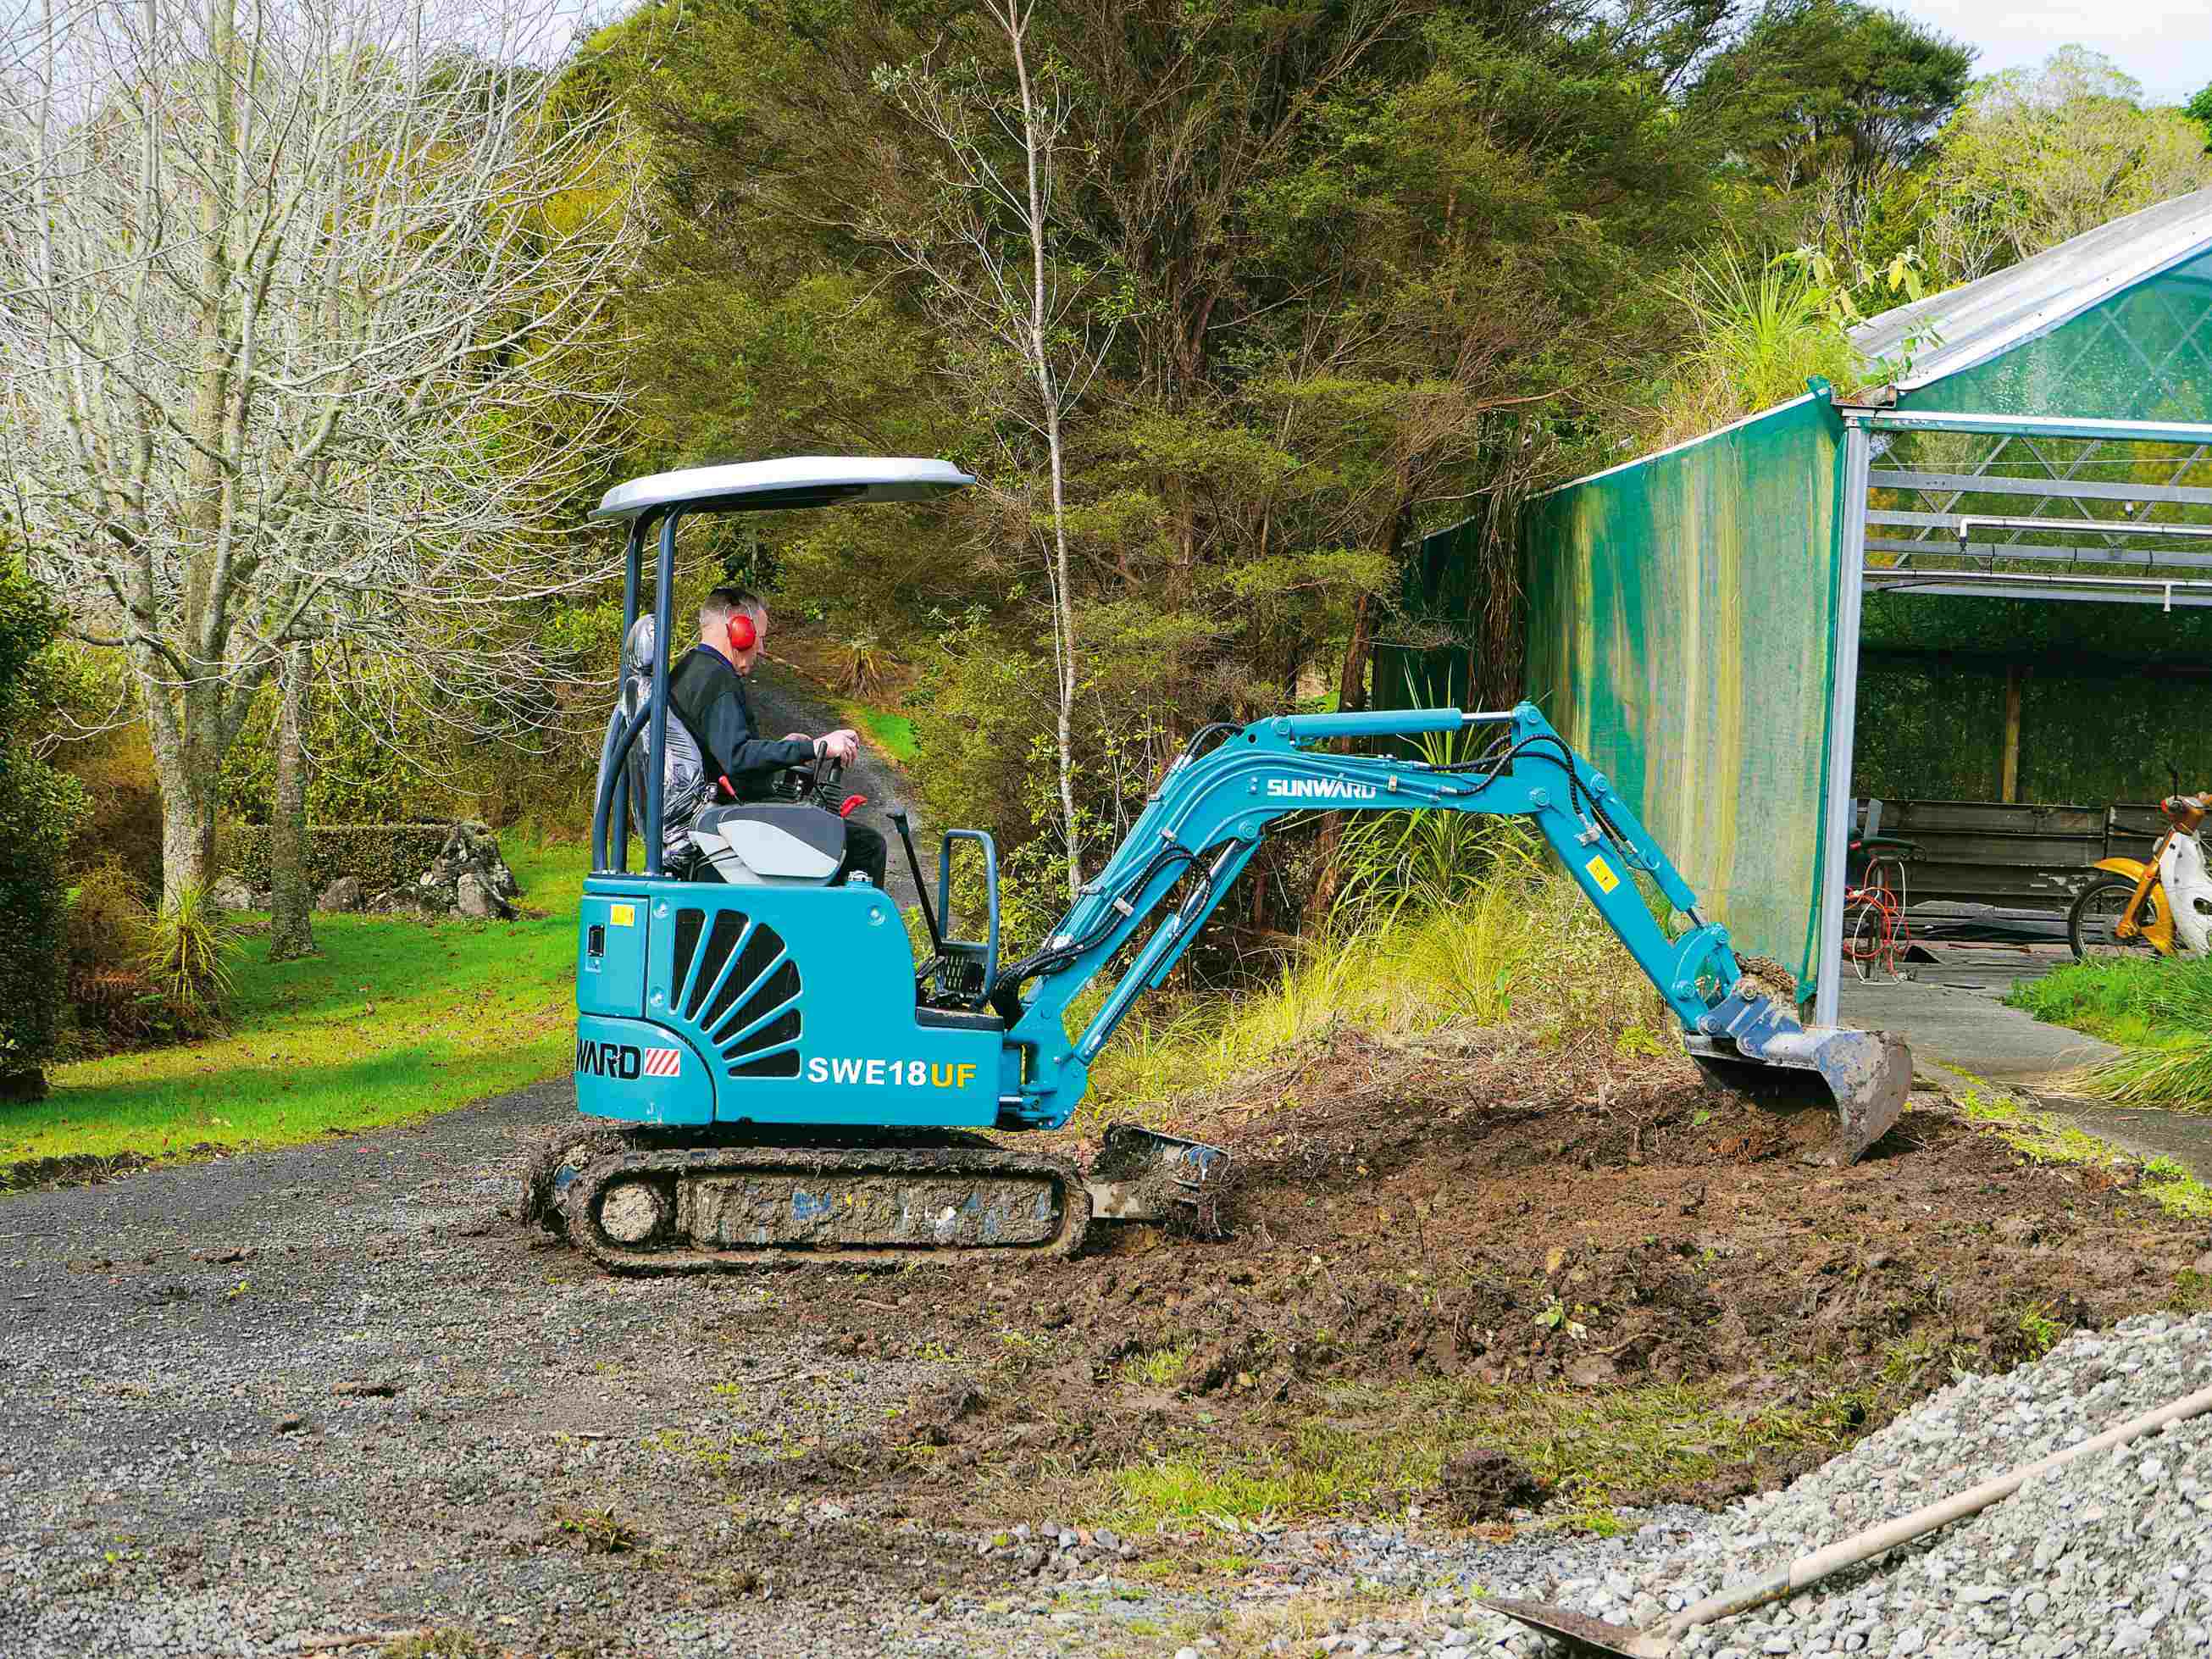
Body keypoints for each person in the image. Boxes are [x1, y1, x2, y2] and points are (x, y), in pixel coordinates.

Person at [668, 586, 889, 888]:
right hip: (726, 822)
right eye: (760, 637)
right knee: (865, 845)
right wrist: (814, 747)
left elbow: (724, 753)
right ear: (739, 630)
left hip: (716, 813)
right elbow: (737, 757)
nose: (761, 649)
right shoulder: (716, 679)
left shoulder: (692, 671)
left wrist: (784, 748)